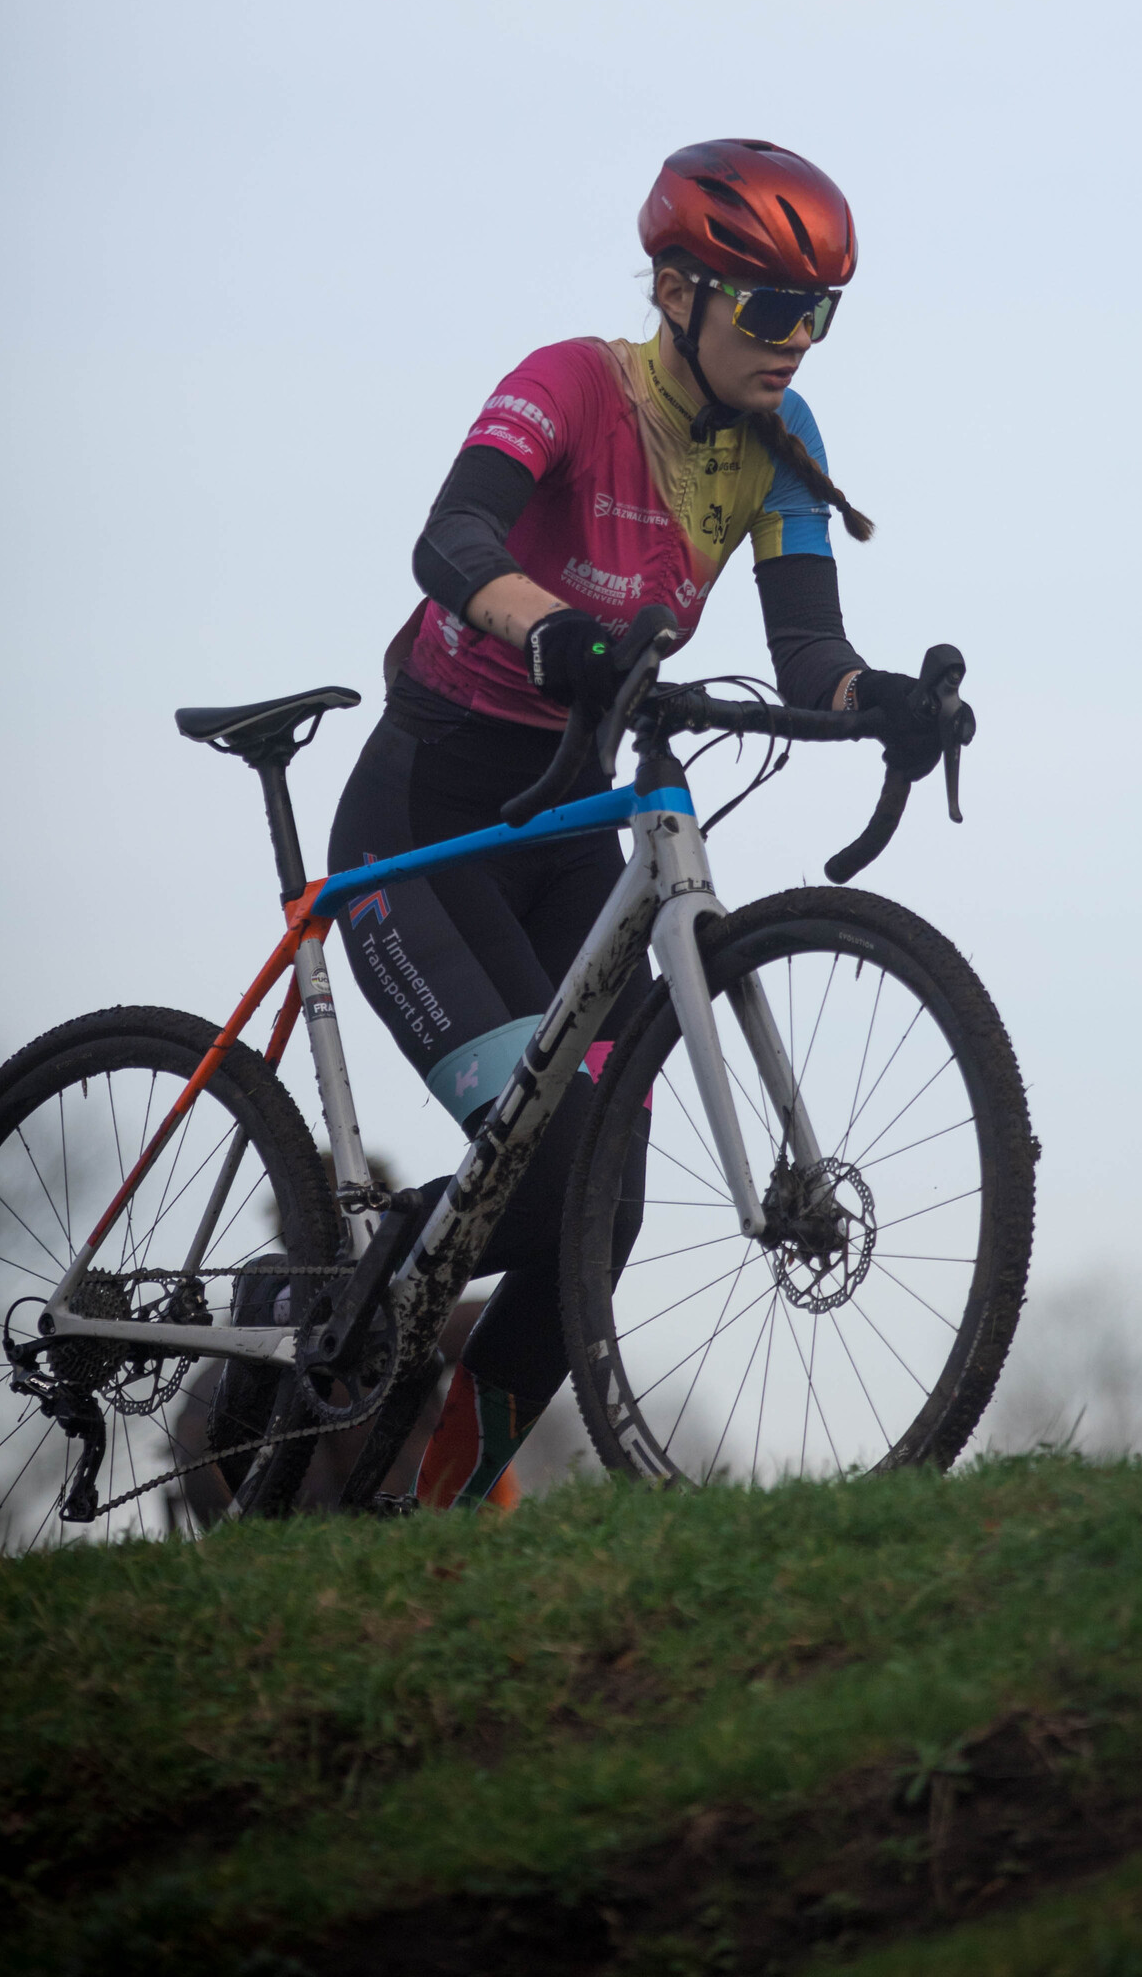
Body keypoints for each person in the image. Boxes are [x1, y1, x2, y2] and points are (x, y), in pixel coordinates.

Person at [328, 139, 953, 1510]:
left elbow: (809, 659)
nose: (798, 343)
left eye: (820, 314)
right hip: (425, 821)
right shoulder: (571, 384)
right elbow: (451, 541)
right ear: (678, 287)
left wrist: (887, 704)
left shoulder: (786, 450)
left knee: (595, 1212)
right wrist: (551, 633)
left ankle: (430, 1517)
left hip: (567, 834)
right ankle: (300, 1290)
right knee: (542, 1172)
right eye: (772, 309)